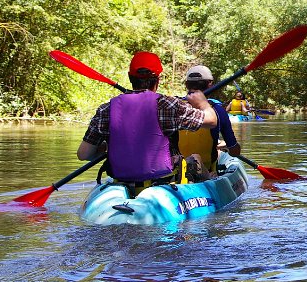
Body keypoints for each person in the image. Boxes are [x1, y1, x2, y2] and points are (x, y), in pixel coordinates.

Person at [77, 52, 218, 194]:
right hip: (163, 184)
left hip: (121, 186)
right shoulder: (167, 105)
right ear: (158, 79)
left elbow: (84, 154)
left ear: (129, 77)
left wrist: (108, 146)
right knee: (194, 160)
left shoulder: (106, 109)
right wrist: (203, 104)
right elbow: (211, 121)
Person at [179, 65, 241, 182]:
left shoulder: (173, 106)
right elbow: (234, 151)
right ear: (210, 84)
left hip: (177, 172)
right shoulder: (218, 110)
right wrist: (228, 147)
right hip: (205, 173)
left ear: (187, 84)